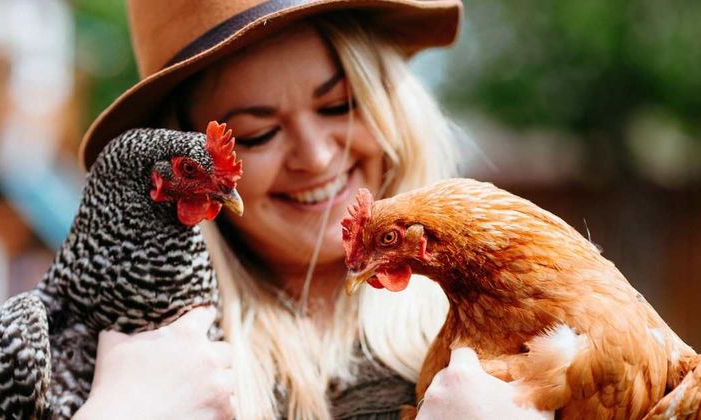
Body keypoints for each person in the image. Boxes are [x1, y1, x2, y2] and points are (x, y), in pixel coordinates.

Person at [74, 1, 552, 419]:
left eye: (338, 106)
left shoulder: (536, 327)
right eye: (258, 135)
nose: (318, 157)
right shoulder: (124, 366)